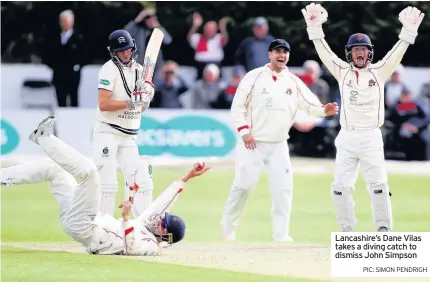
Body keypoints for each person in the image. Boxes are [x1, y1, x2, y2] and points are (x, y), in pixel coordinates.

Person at [1, 116, 211, 256]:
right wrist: (187, 177)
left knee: (90, 173)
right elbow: (162, 203)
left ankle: (45, 139)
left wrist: (128, 217)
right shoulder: (149, 226)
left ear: (166, 236)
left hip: (88, 228)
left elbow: (131, 247)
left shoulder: (151, 246)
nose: (158, 219)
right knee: (54, 169)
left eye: (163, 223)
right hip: (80, 220)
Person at [301, 3, 425, 232]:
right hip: (347, 138)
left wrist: (408, 32)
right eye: (356, 49)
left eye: (364, 49)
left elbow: (396, 53)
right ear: (350, 53)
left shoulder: (380, 71)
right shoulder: (342, 72)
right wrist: (315, 29)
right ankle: (347, 232)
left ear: (370, 53)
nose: (360, 53)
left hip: (371, 138)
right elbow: (325, 53)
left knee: (378, 187)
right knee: (340, 188)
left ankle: (383, 231)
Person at [221, 39, 339, 241]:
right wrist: (244, 132)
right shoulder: (254, 77)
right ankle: (228, 228)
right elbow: (237, 107)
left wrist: (323, 111)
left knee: (283, 190)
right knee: (243, 186)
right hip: (253, 143)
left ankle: (281, 234)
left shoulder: (293, 81)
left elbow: (309, 105)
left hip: (278, 144)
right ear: (269, 54)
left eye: (285, 52)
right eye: (277, 52)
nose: (281, 55)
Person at [94, 29, 155, 218]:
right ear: (113, 52)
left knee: (140, 182)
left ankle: (142, 227)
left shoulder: (139, 71)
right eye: (121, 51)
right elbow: (103, 104)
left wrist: (146, 97)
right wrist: (132, 102)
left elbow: (140, 109)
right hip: (108, 132)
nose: (126, 54)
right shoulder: (108, 69)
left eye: (128, 49)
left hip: (129, 136)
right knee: (108, 184)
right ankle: (102, 228)